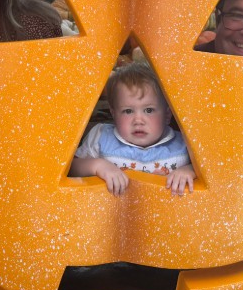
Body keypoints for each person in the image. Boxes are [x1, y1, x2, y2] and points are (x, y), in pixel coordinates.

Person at [70, 63, 194, 196]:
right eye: (128, 111)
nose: (138, 120)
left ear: (167, 114)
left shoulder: (184, 143)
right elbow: (71, 168)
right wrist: (97, 166)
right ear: (114, 114)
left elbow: (211, 170)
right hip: (112, 213)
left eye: (149, 110)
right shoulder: (102, 137)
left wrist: (189, 170)